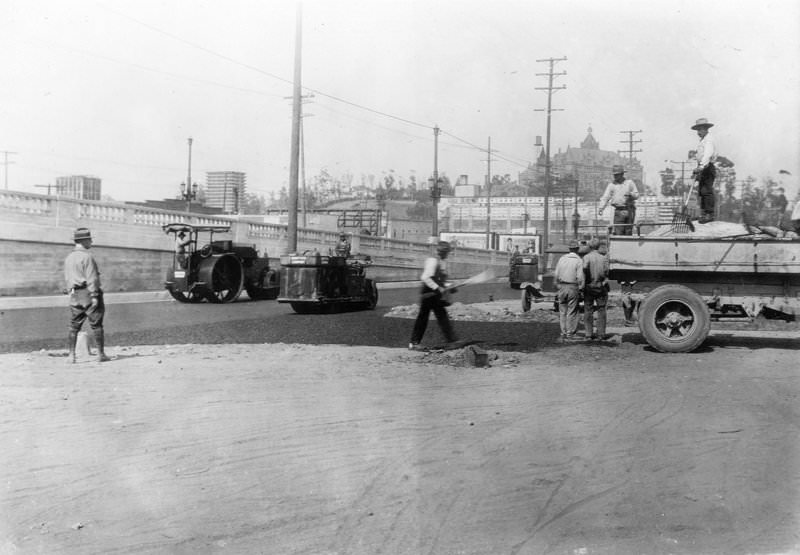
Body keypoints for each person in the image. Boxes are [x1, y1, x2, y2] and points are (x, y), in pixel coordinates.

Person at [64, 227, 110, 363]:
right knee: (96, 324)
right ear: (84, 241)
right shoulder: (87, 257)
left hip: (74, 294)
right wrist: (95, 295)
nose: (91, 242)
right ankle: (100, 354)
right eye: (89, 239)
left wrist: (71, 293)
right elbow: (92, 278)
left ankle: (71, 356)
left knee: (74, 326)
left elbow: (68, 278)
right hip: (88, 293)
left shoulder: (69, 258)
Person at [409, 240, 457, 350]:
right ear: (441, 251)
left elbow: (440, 280)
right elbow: (425, 278)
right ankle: (414, 343)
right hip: (428, 293)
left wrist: (450, 287)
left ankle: (451, 340)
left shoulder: (441, 261)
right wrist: (438, 288)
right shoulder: (433, 261)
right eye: (446, 252)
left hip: (435, 294)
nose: (447, 255)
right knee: (424, 318)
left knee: (442, 316)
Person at [553, 239, 585, 340]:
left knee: (562, 311)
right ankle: (570, 332)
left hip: (562, 286)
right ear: (577, 249)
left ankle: (563, 332)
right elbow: (580, 277)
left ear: (569, 249)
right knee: (572, 310)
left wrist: (557, 285)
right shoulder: (579, 260)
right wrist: (581, 288)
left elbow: (556, 274)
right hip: (572, 286)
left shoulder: (562, 259)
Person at [690, 117, 718, 223]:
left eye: (700, 129)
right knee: (701, 191)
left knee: (706, 190)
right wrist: (698, 168)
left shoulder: (709, 139)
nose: (698, 132)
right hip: (703, 167)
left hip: (707, 167)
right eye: (697, 130)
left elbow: (707, 154)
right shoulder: (702, 140)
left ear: (706, 129)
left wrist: (701, 166)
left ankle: (709, 214)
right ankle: (703, 213)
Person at [599, 165, 639, 236]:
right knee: (618, 233)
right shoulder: (611, 185)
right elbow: (605, 197)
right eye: (614, 175)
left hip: (629, 210)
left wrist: (631, 195)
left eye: (617, 175)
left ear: (622, 174)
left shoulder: (630, 183)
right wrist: (601, 208)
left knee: (628, 232)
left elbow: (637, 195)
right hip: (618, 211)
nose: (615, 176)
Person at [582, 238, 609, 340]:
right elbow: (606, 272)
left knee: (588, 310)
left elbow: (584, 269)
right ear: (598, 247)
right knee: (601, 310)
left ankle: (588, 334)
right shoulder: (603, 258)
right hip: (600, 286)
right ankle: (601, 334)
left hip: (589, 286)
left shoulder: (586, 257)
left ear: (590, 246)